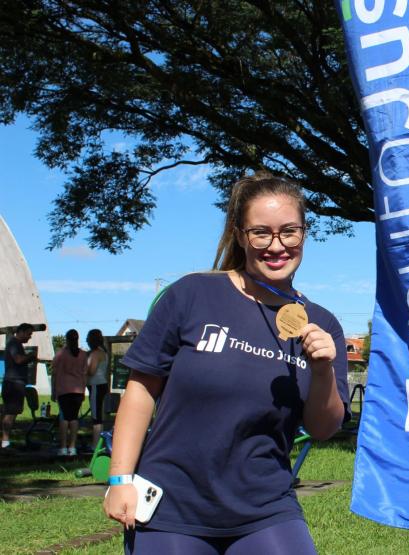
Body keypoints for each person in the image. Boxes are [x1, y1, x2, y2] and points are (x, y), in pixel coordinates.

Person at [103, 172, 348, 554]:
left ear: (304, 233)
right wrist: (120, 479)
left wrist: (322, 372)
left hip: (266, 506)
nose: (277, 245)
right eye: (261, 233)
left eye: (289, 231)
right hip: (172, 505)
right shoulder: (191, 294)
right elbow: (141, 390)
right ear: (240, 235)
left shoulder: (322, 324)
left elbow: (322, 428)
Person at [52, 329, 88, 456]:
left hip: (63, 390)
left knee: (64, 418)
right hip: (78, 390)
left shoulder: (60, 354)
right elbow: (85, 374)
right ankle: (72, 447)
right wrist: (83, 390)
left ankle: (63, 447)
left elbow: (54, 374)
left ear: (66, 339)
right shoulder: (83, 355)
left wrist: (53, 391)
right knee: (74, 418)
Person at [2, 323, 37, 449]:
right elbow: (18, 360)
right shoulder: (14, 344)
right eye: (28, 334)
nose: (29, 337)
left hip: (15, 382)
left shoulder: (16, 344)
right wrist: (31, 356)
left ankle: (5, 440)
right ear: (21, 331)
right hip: (14, 383)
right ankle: (5, 441)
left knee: (12, 412)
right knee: (10, 413)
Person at [86, 328, 110, 449]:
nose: (86, 341)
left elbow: (91, 371)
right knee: (99, 415)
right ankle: (99, 444)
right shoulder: (104, 352)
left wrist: (82, 369)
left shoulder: (95, 354)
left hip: (96, 386)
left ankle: (95, 446)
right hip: (102, 385)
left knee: (96, 417)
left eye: (87, 338)